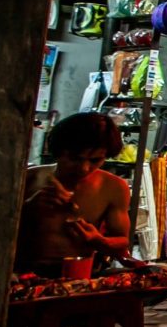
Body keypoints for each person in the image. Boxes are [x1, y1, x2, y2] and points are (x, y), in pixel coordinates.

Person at [16, 113, 133, 277]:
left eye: (95, 160)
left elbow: (122, 241)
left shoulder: (114, 187)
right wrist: (27, 207)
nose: (84, 168)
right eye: (75, 158)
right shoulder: (28, 178)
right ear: (58, 151)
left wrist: (98, 240)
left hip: (80, 275)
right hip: (23, 274)